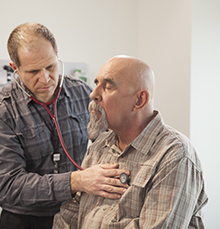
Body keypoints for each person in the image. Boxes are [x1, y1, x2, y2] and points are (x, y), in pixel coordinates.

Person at [0, 23, 127, 229]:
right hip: (24, 220)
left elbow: (108, 142)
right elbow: (9, 186)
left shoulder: (82, 93)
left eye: (50, 67)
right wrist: (76, 181)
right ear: (16, 69)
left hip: (77, 212)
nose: (45, 79)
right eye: (33, 71)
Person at [53, 55, 208, 228]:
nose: (93, 94)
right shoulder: (99, 145)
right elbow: (72, 212)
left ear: (139, 100)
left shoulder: (174, 155)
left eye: (108, 86)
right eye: (96, 83)